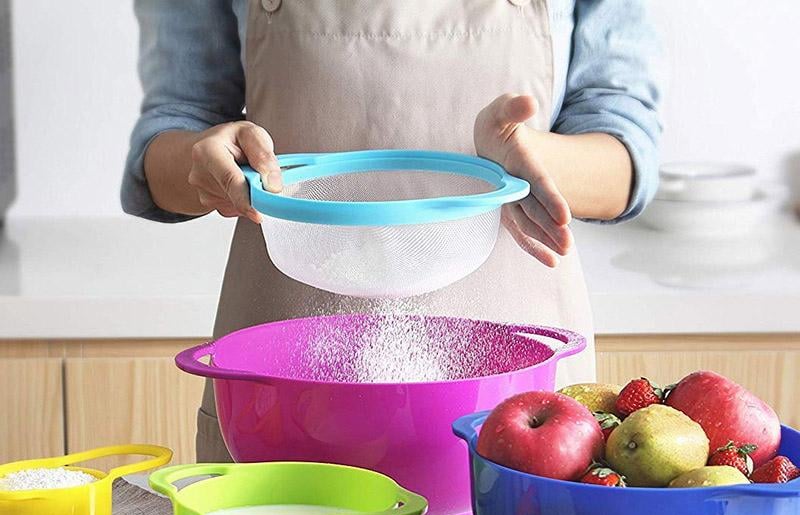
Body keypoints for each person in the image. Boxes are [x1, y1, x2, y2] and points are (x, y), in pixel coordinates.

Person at [123, 0, 662, 462]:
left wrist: (528, 159)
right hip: (286, 387)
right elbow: (169, 135)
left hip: (522, 396)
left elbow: (624, 151)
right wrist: (208, 163)